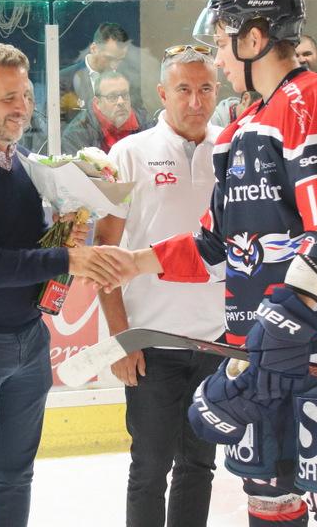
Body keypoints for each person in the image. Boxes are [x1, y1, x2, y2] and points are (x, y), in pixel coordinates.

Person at [101, 0, 317, 527]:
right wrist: (136, 262)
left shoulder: (315, 98)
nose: (217, 59)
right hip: (263, 356)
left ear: (254, 37)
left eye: (221, 42)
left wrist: (280, 322)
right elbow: (218, 244)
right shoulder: (243, 127)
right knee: (269, 500)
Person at [0, 42, 122, 527]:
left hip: (28, 339)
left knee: (14, 475)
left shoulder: (24, 162)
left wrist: (65, 229)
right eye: (8, 97)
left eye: (26, 95)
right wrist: (65, 256)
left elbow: (21, 245)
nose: (23, 107)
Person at [94, 44, 225, 527]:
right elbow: (105, 254)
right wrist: (121, 339)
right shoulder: (128, 154)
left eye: (205, 88)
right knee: (149, 469)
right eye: (184, 89)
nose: (195, 101)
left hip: (217, 343)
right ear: (162, 93)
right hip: (151, 344)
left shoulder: (232, 150)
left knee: (200, 465)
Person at [62, 71, 148, 154]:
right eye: (112, 97)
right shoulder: (75, 135)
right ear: (97, 102)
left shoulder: (146, 124)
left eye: (125, 95)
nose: (121, 101)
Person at [60, 22, 129, 121]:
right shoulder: (64, 79)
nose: (115, 66)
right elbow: (55, 123)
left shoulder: (127, 79)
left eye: (120, 59)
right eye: (110, 58)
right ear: (94, 48)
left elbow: (140, 115)